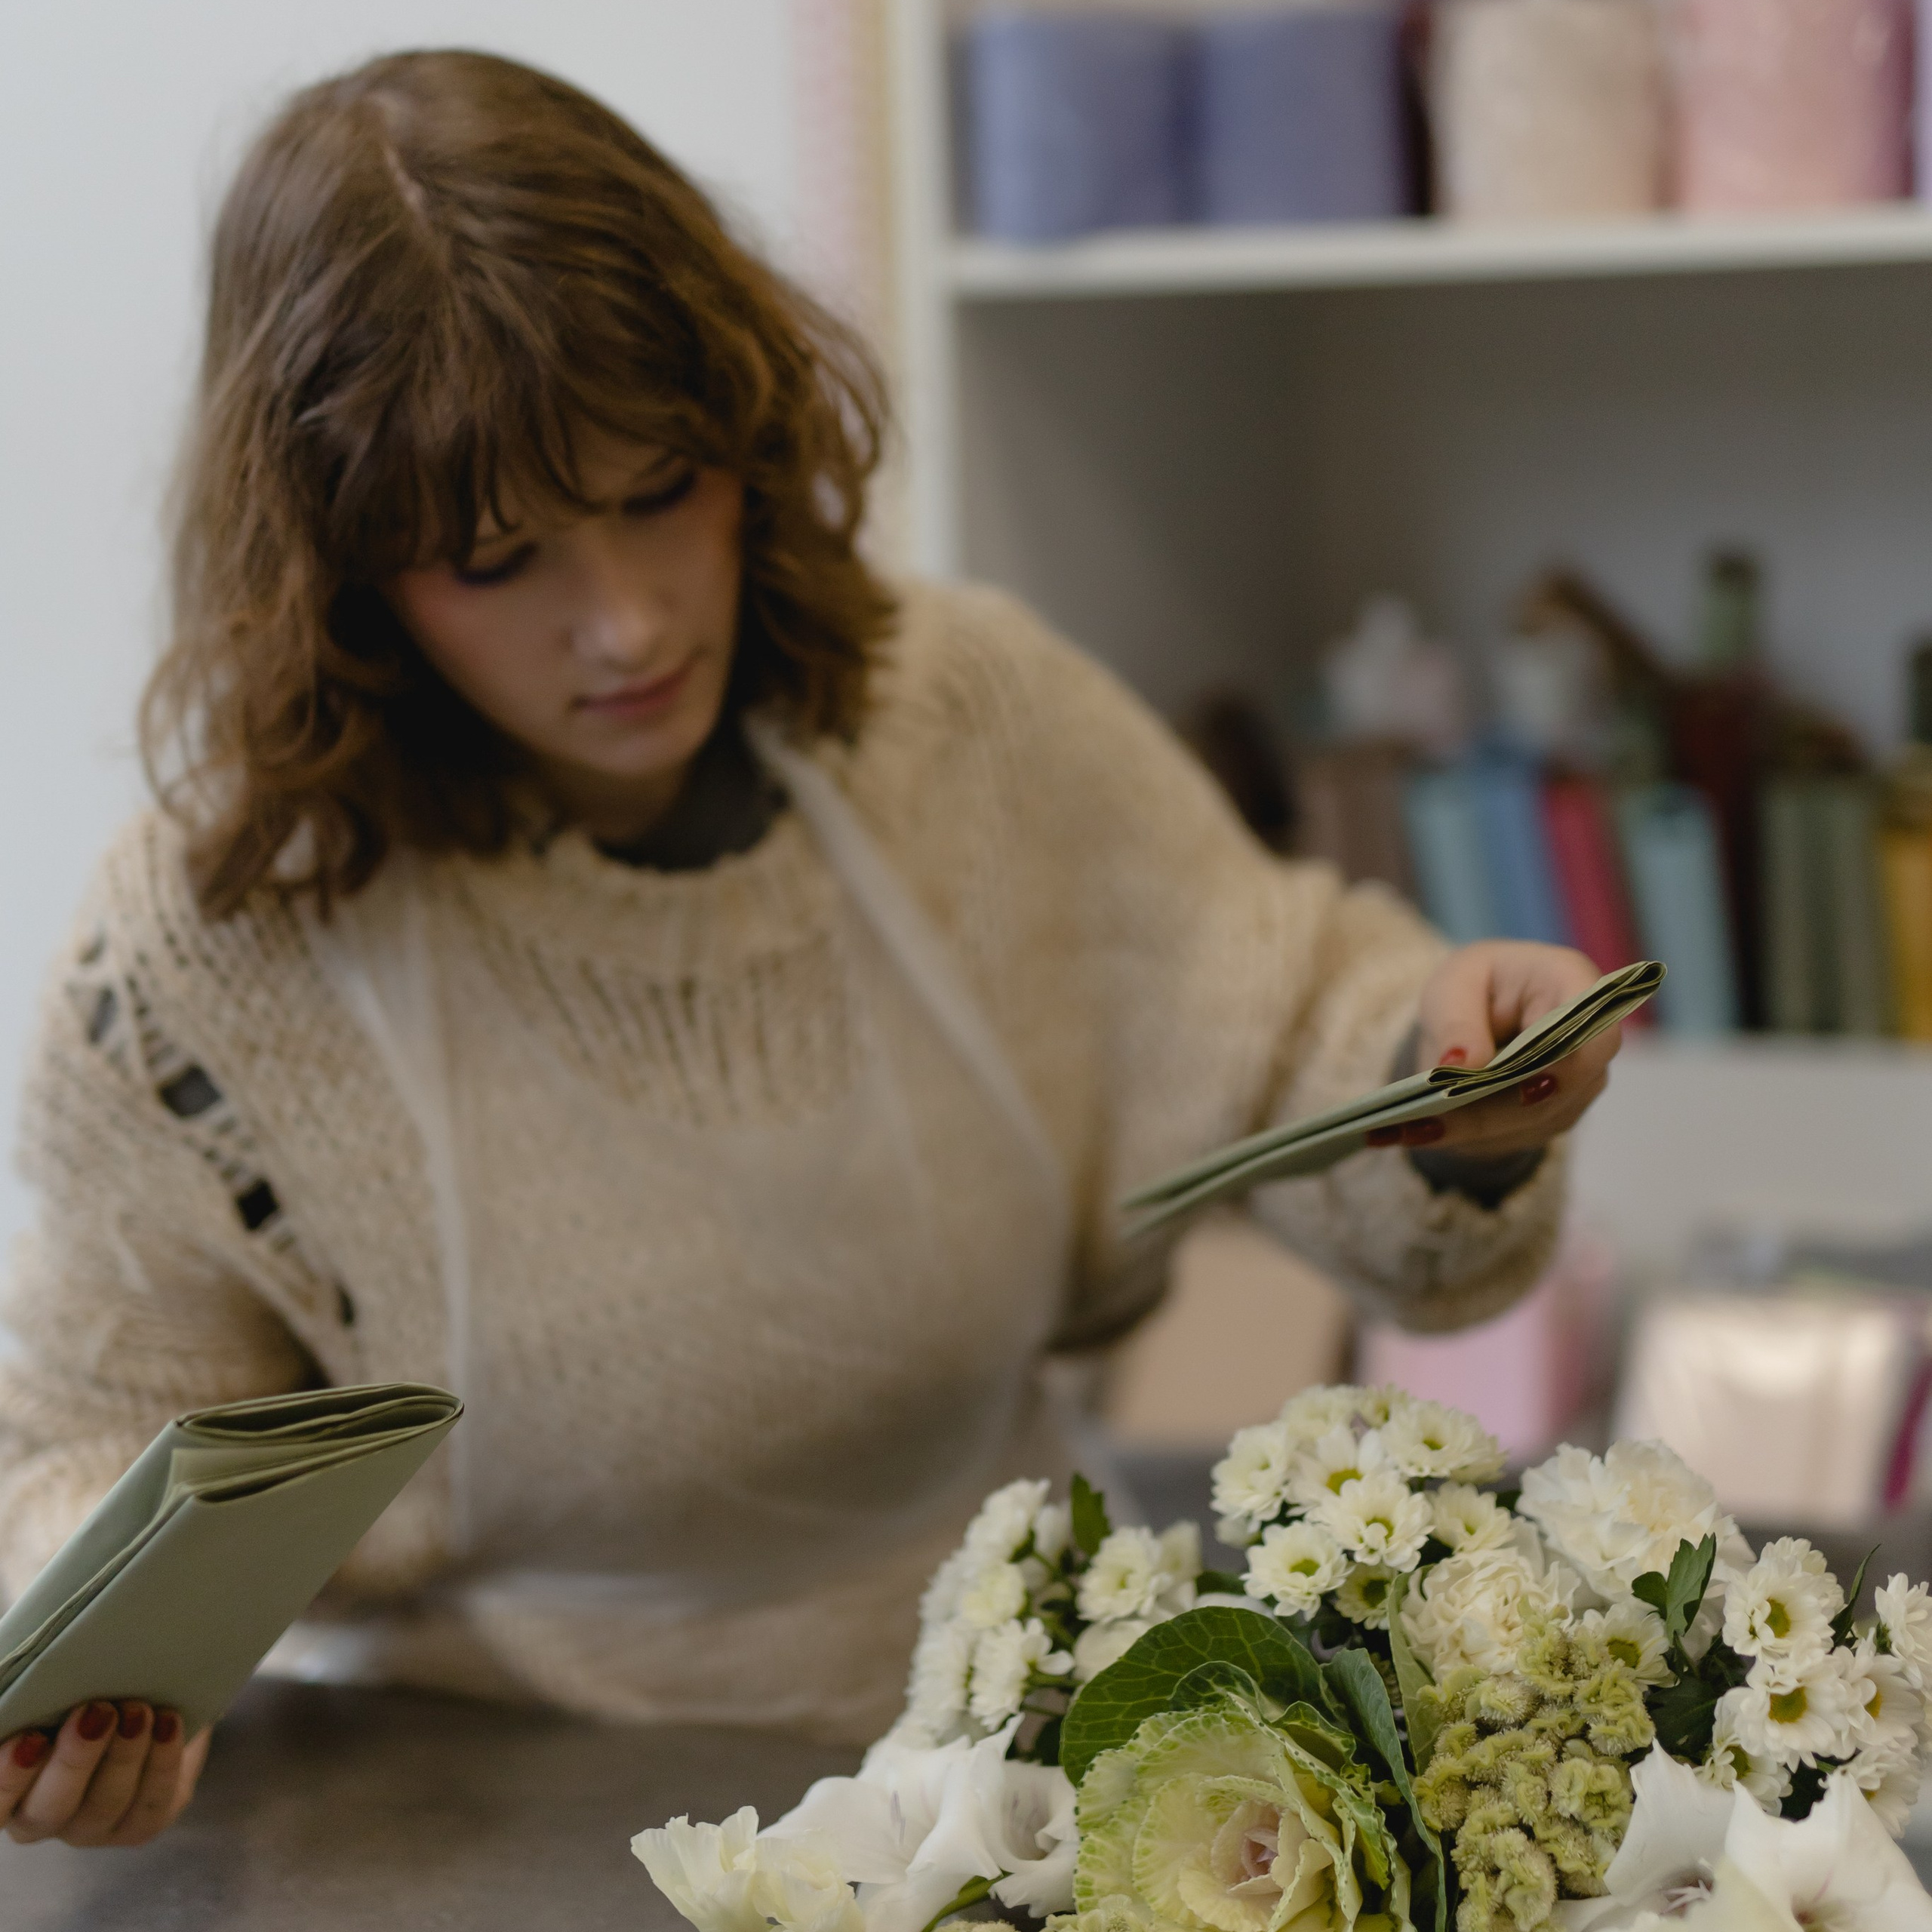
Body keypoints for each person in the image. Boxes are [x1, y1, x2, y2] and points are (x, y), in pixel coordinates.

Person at [0, 49, 1617, 1851]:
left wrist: (1453, 1077)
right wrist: (94, 1653)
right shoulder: (214, 954)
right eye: (498, 555)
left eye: (659, 486)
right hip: (467, 1821)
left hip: (1029, 1761)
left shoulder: (965, 723)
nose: (621, 621)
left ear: (752, 430)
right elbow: (82, 1442)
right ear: (341, 572)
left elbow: (1301, 1016)